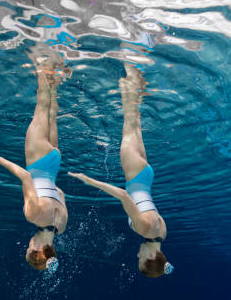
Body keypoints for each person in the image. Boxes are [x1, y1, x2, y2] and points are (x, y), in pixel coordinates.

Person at [69, 63, 173, 278]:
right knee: (128, 124)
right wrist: (89, 181)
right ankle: (130, 71)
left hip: (146, 177)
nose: (137, 256)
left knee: (135, 125)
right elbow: (124, 196)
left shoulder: (162, 234)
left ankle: (137, 84)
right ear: (151, 257)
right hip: (134, 176)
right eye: (141, 259)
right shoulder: (145, 230)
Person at [0, 46, 68, 272]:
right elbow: (26, 177)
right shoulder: (33, 216)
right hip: (38, 162)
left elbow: (61, 193)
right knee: (41, 107)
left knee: (52, 112)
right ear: (36, 249)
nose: (27, 244)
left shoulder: (62, 226)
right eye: (28, 249)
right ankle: (45, 59)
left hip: (54, 162)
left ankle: (58, 75)